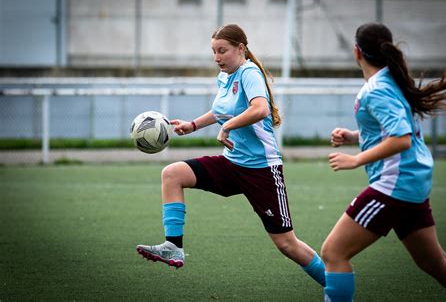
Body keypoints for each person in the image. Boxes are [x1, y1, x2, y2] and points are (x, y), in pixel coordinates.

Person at [136, 24, 326, 287]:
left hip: (262, 170)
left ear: (241, 48)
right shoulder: (225, 75)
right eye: (213, 52)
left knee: (286, 244)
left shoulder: (249, 72)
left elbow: (259, 109)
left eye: (222, 51)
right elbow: (220, 111)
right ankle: (173, 246)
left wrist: (228, 126)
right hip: (232, 164)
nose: (217, 58)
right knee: (172, 174)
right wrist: (192, 125)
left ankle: (335, 285)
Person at [321, 22, 446, 302]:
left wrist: (356, 160)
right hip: (411, 184)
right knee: (434, 262)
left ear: (357, 52)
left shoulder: (377, 89)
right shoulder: (392, 79)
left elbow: (401, 138)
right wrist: (354, 136)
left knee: (333, 253)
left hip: (394, 185)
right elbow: (390, 130)